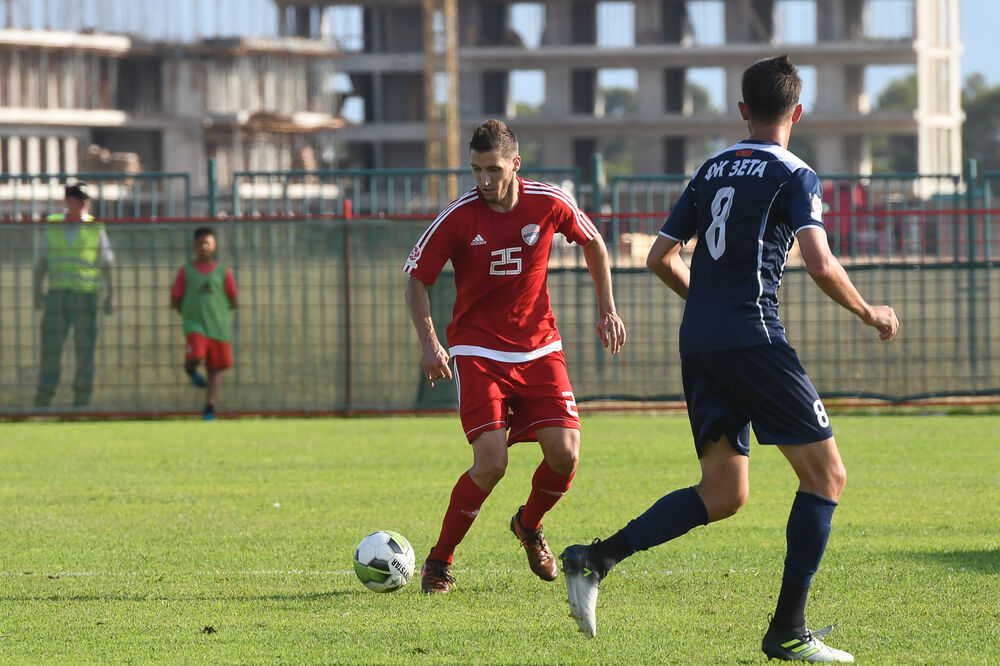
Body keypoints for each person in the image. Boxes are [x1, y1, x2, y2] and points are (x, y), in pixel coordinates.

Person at [560, 55, 899, 663]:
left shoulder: (711, 168)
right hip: (754, 337)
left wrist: (710, 303)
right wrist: (870, 311)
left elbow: (660, 256)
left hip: (700, 342)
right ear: (798, 112)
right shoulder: (796, 173)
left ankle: (596, 558)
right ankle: (788, 631)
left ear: (743, 110)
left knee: (723, 493)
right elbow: (820, 263)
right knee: (827, 478)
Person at [403, 119, 627, 594]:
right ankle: (439, 562)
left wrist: (607, 309)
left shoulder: (548, 201)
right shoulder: (459, 215)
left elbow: (593, 243)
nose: (484, 180)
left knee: (565, 457)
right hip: (477, 348)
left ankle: (528, 525)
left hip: (539, 346)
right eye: (476, 169)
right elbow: (416, 279)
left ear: (515, 164)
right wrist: (429, 342)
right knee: (491, 463)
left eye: (493, 168)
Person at [33, 181, 115, 407]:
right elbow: (40, 263)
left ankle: (82, 401)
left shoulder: (95, 226)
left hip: (86, 295)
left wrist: (112, 295)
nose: (85, 204)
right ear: (69, 201)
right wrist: (36, 292)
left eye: (87, 201)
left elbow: (108, 263)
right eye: (81, 200)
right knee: (50, 349)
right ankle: (43, 400)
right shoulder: (52, 225)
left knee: (85, 350)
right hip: (57, 295)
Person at [171, 226, 238, 420]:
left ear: (214, 245)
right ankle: (190, 370)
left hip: (218, 327)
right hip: (195, 326)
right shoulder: (186, 271)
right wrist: (188, 313)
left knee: (214, 369)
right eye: (200, 243)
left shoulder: (223, 272)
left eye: (208, 243)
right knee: (196, 353)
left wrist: (219, 313)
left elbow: (233, 299)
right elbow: (175, 298)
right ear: (194, 246)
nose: (204, 247)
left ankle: (210, 408)